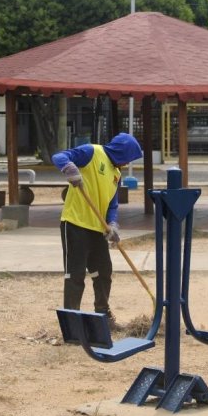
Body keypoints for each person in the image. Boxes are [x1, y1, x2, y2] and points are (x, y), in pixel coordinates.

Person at [53, 132, 143, 330]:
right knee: (75, 275)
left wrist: (112, 224)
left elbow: (112, 203)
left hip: (97, 229)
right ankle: (72, 324)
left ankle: (103, 315)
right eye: (130, 157)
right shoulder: (92, 151)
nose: (129, 162)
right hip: (75, 224)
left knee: (103, 273)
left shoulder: (116, 173)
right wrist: (70, 168)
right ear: (123, 151)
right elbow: (59, 156)